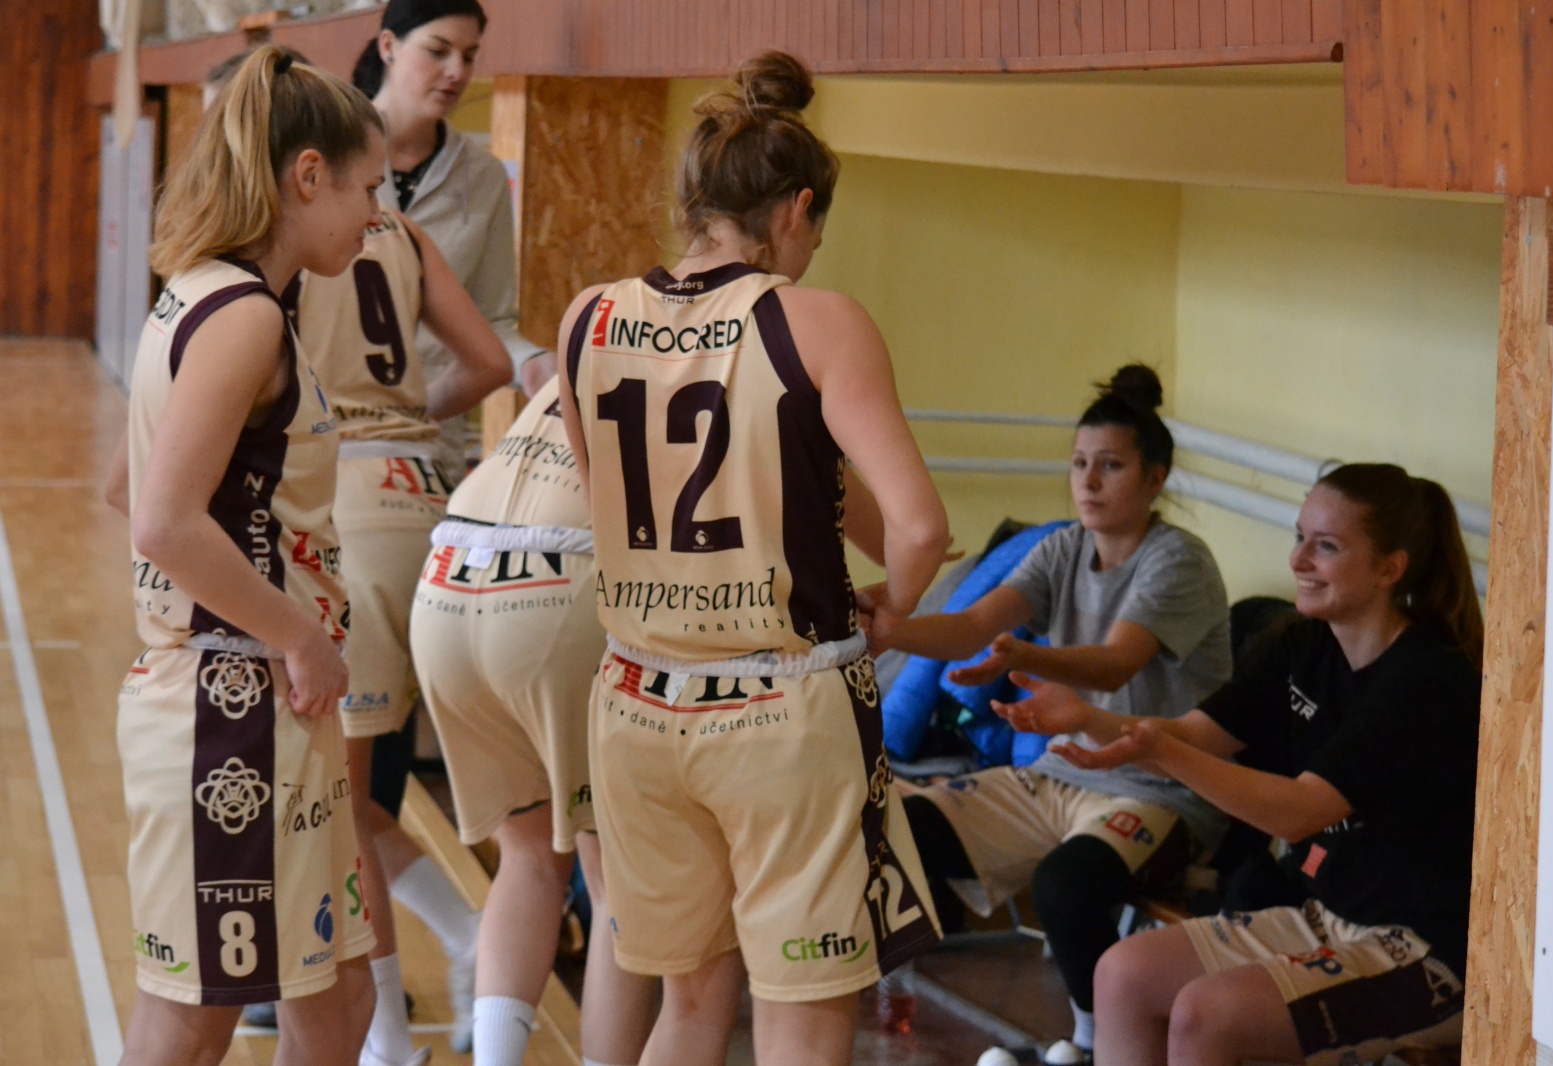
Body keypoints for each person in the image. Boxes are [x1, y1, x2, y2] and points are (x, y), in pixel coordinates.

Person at [558, 51, 951, 1066]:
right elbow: (917, 528)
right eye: (816, 231)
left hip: (635, 702)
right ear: (798, 209)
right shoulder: (816, 319)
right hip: (780, 711)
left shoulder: (587, 316)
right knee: (803, 1016)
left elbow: (603, 497)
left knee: (688, 1007)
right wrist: (892, 609)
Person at [1016, 463, 1480, 1066]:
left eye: (1327, 546)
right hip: (1325, 914)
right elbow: (1189, 736)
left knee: (1205, 1016)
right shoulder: (1301, 644)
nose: (1298, 560)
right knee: (1122, 973)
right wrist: (1087, 717)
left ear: (1390, 568)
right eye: (1299, 537)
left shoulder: (1427, 678)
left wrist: (1164, 751)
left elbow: (1298, 812)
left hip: (1423, 951)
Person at [112, 45, 384, 1066]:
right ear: (308, 176)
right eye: (366, 189)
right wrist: (300, 634)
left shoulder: (198, 292)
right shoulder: (244, 316)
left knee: (340, 993)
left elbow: (128, 484)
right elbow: (160, 520)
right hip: (228, 709)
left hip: (258, 703)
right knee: (192, 1022)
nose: (375, 215)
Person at [872, 365, 1232, 1066]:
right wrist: (886, 630)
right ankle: (889, 983)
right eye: (1078, 464)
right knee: (892, 829)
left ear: (1155, 479)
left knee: (1065, 887)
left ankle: (1094, 1044)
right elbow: (971, 625)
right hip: (1057, 774)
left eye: (1111, 466)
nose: (1088, 482)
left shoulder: (1179, 561)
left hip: (1156, 788)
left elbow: (1114, 664)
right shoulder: (1063, 546)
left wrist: (1021, 655)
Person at [287, 204, 512, 1062]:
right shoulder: (403, 232)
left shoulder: (284, 229)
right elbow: (489, 362)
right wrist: (407, 417)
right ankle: (471, 936)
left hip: (346, 507)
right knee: (364, 798)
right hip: (427, 499)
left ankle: (385, 1046)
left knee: (337, 813)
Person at [410, 374, 657, 1066]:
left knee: (526, 857)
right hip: (558, 582)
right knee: (617, 882)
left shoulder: (588, 336)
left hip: (450, 575)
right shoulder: (739, 346)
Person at [351, 0, 551, 480]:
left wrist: (533, 363)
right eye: (438, 51)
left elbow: (490, 320)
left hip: (431, 450)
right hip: (327, 441)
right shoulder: (328, 151)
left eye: (469, 56)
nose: (457, 72)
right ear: (388, 46)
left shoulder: (483, 176)